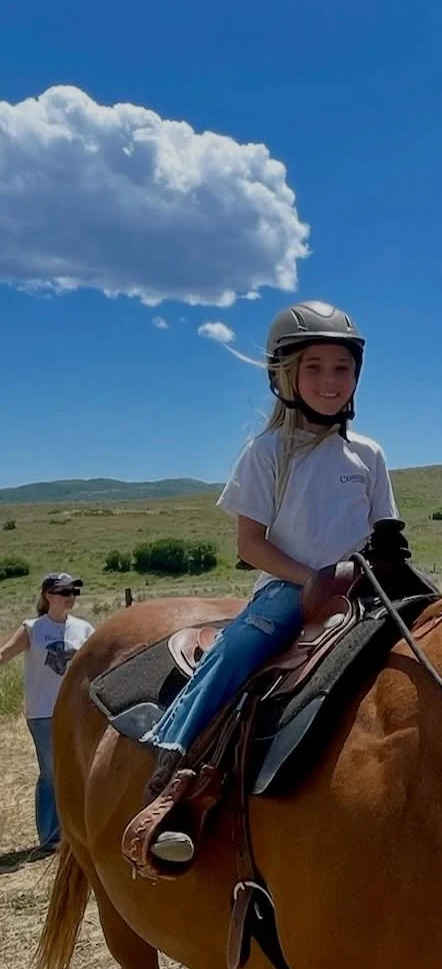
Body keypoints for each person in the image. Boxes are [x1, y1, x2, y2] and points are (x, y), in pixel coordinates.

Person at [126, 300, 399, 866]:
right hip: (289, 589)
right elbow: (249, 545)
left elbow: (383, 528)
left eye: (342, 368)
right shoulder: (267, 452)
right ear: (285, 377)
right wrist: (310, 579)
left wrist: (391, 561)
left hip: (363, 586)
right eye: (315, 367)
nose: (330, 380)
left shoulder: (368, 454)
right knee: (241, 648)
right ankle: (174, 758)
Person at [0, 573, 95, 856]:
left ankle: (78, 831)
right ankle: (51, 836)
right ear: (48, 596)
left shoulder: (84, 629)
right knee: (51, 772)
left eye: (73, 591)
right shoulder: (32, 629)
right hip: (42, 711)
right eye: (64, 591)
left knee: (80, 768)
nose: (70, 596)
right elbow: (5, 654)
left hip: (76, 709)